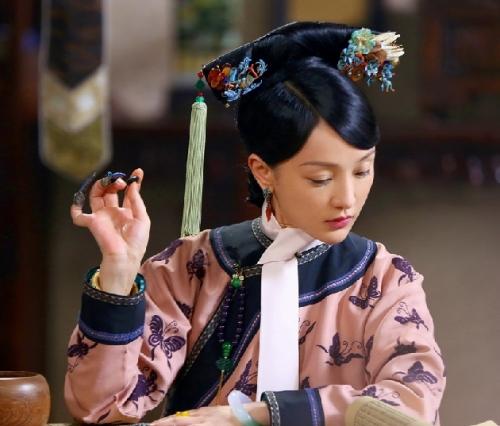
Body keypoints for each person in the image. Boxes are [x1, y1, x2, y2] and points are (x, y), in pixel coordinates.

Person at [65, 22, 446, 426]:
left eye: (362, 170)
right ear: (263, 171)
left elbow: (410, 406)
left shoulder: (384, 281)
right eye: (321, 178)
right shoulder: (193, 267)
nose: (347, 198)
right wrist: (118, 273)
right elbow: (101, 408)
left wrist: (250, 417)